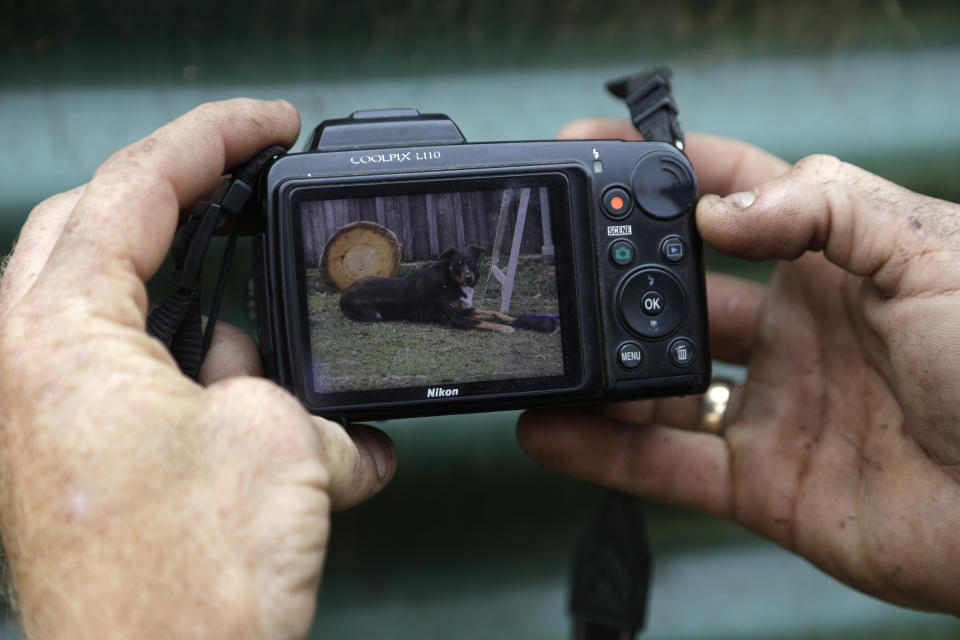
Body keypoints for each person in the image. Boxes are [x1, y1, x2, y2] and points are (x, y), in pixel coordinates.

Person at [0, 98, 957, 638]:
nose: (462, 272)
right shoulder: (415, 288)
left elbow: (477, 313)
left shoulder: (451, 284)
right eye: (458, 271)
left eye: (463, 271)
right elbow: (473, 318)